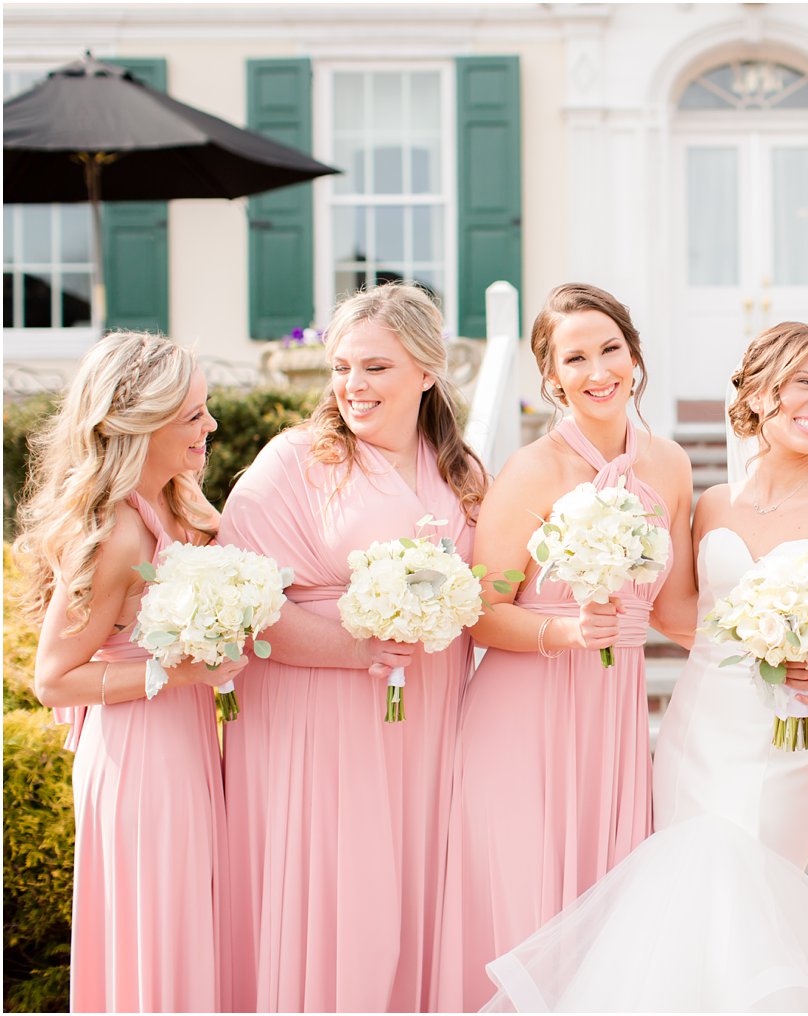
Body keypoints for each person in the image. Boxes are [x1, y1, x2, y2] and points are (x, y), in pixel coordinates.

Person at [478, 322, 808, 1011]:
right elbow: (677, 608)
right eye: (804, 382)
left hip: (787, 737)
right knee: (684, 908)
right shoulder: (713, 502)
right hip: (698, 731)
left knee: (749, 895)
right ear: (757, 391)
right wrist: (601, 573)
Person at [217, 283, 488, 1012]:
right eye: (342, 367)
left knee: (408, 882)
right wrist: (357, 648)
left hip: (426, 720)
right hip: (316, 718)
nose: (352, 386)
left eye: (375, 367)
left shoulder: (461, 473)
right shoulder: (297, 462)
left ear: (426, 371)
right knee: (337, 886)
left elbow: (490, 593)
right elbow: (243, 602)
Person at [430, 283, 696, 1011]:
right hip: (523, 720)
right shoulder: (531, 472)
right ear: (550, 377)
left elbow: (677, 612)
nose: (598, 369)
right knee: (525, 906)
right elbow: (479, 615)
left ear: (635, 358)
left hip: (611, 720)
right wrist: (564, 632)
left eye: (610, 348)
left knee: (603, 906)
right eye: (575, 357)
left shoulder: (669, 466)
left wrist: (777, 639)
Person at [19, 332, 236, 1012]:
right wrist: (176, 678)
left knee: (185, 925)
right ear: (136, 424)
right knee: (159, 931)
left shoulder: (176, 506)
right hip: (142, 756)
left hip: (184, 738)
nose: (211, 425)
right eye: (193, 415)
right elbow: (52, 679)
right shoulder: (116, 532)